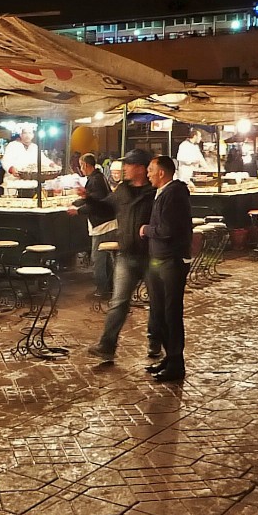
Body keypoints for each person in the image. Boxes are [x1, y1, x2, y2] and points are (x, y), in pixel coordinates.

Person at [83, 150, 156, 363]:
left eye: (129, 165)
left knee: (157, 303)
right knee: (118, 301)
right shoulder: (123, 189)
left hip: (151, 255)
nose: (124, 168)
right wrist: (87, 199)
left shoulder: (154, 192)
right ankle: (107, 345)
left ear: (141, 168)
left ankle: (155, 342)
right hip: (126, 253)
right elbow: (106, 208)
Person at [138, 155, 192, 382]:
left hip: (170, 261)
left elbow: (167, 229)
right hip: (158, 260)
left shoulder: (174, 194)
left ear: (162, 172)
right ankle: (169, 358)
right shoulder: (162, 194)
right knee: (160, 311)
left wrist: (146, 230)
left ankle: (176, 363)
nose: (148, 174)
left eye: (150, 170)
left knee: (171, 313)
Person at [68, 153, 116, 299]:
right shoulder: (97, 178)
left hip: (103, 225)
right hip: (108, 223)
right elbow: (92, 199)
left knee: (99, 259)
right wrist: (78, 202)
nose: (81, 169)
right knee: (107, 259)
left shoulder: (95, 180)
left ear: (86, 165)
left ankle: (102, 291)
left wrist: (78, 211)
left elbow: (96, 203)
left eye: (81, 165)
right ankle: (109, 288)